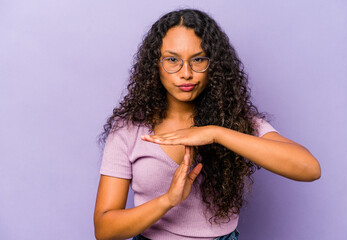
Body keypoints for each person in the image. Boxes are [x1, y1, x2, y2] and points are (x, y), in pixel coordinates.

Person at [93, 9, 321, 240]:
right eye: (172, 60)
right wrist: (168, 201)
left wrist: (216, 133)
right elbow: (104, 230)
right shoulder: (129, 129)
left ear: (214, 65)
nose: (186, 73)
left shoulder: (236, 121)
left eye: (198, 59)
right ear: (155, 65)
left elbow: (310, 169)